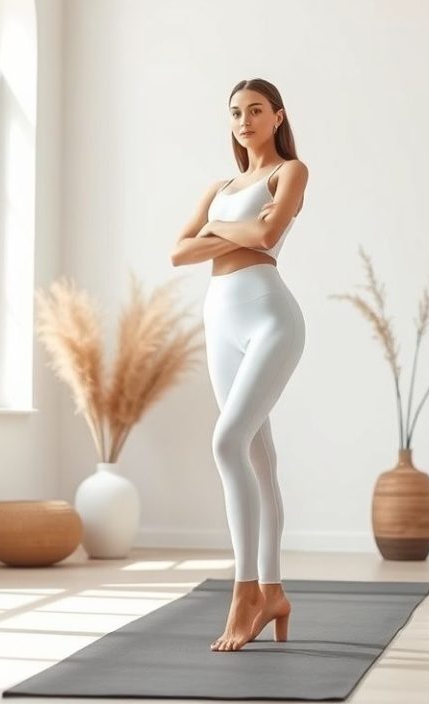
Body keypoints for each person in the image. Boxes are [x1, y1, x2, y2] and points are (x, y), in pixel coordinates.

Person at [170, 78, 308, 652]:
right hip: (219, 319)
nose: (245, 119)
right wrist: (236, 230)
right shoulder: (221, 185)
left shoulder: (290, 173)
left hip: (270, 317)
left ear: (276, 117)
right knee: (258, 459)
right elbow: (179, 251)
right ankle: (273, 591)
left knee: (227, 443)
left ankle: (245, 591)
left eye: (256, 110)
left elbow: (269, 233)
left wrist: (215, 229)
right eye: (236, 112)